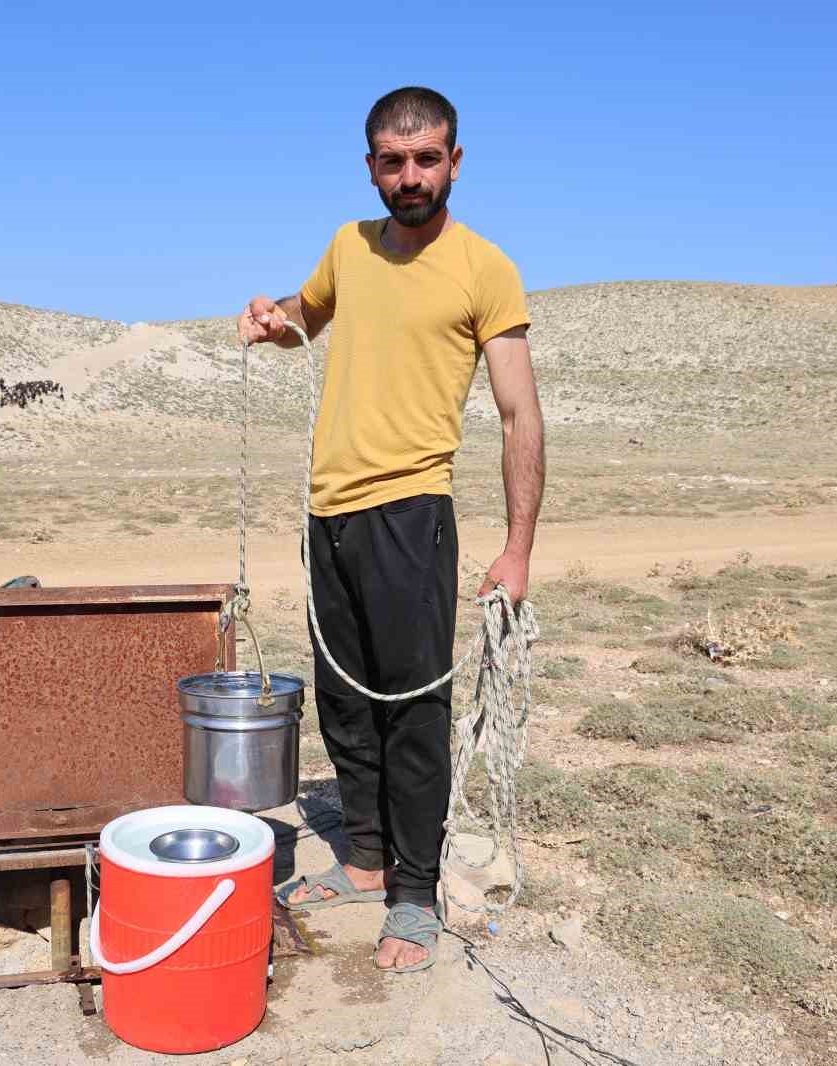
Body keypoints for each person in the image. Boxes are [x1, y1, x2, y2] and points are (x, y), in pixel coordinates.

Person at [238, 86, 544, 974]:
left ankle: (414, 894)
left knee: (412, 713)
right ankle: (366, 862)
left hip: (413, 513)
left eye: (425, 159)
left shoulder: (486, 269)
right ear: (370, 164)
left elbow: (520, 415)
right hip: (327, 513)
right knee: (346, 700)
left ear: (455, 161)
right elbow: (309, 317)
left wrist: (518, 549)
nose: (408, 177)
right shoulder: (348, 244)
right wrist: (272, 324)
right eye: (391, 160)